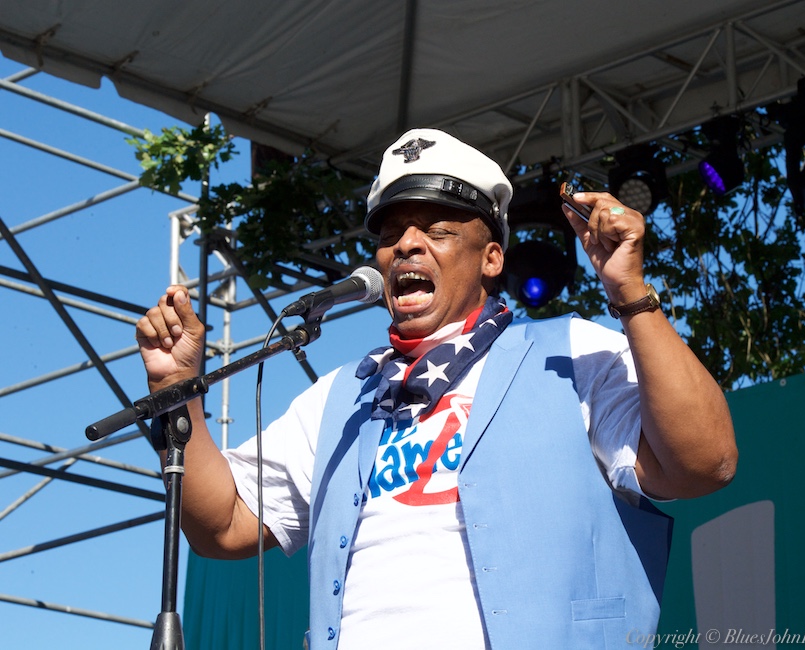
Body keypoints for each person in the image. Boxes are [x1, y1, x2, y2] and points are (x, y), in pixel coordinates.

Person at [136, 128, 737, 649]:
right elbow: (222, 527)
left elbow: (703, 463)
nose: (407, 245)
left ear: (492, 258)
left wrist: (629, 293)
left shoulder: (572, 351)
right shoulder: (338, 400)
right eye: (392, 232)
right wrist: (177, 387)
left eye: (438, 230)